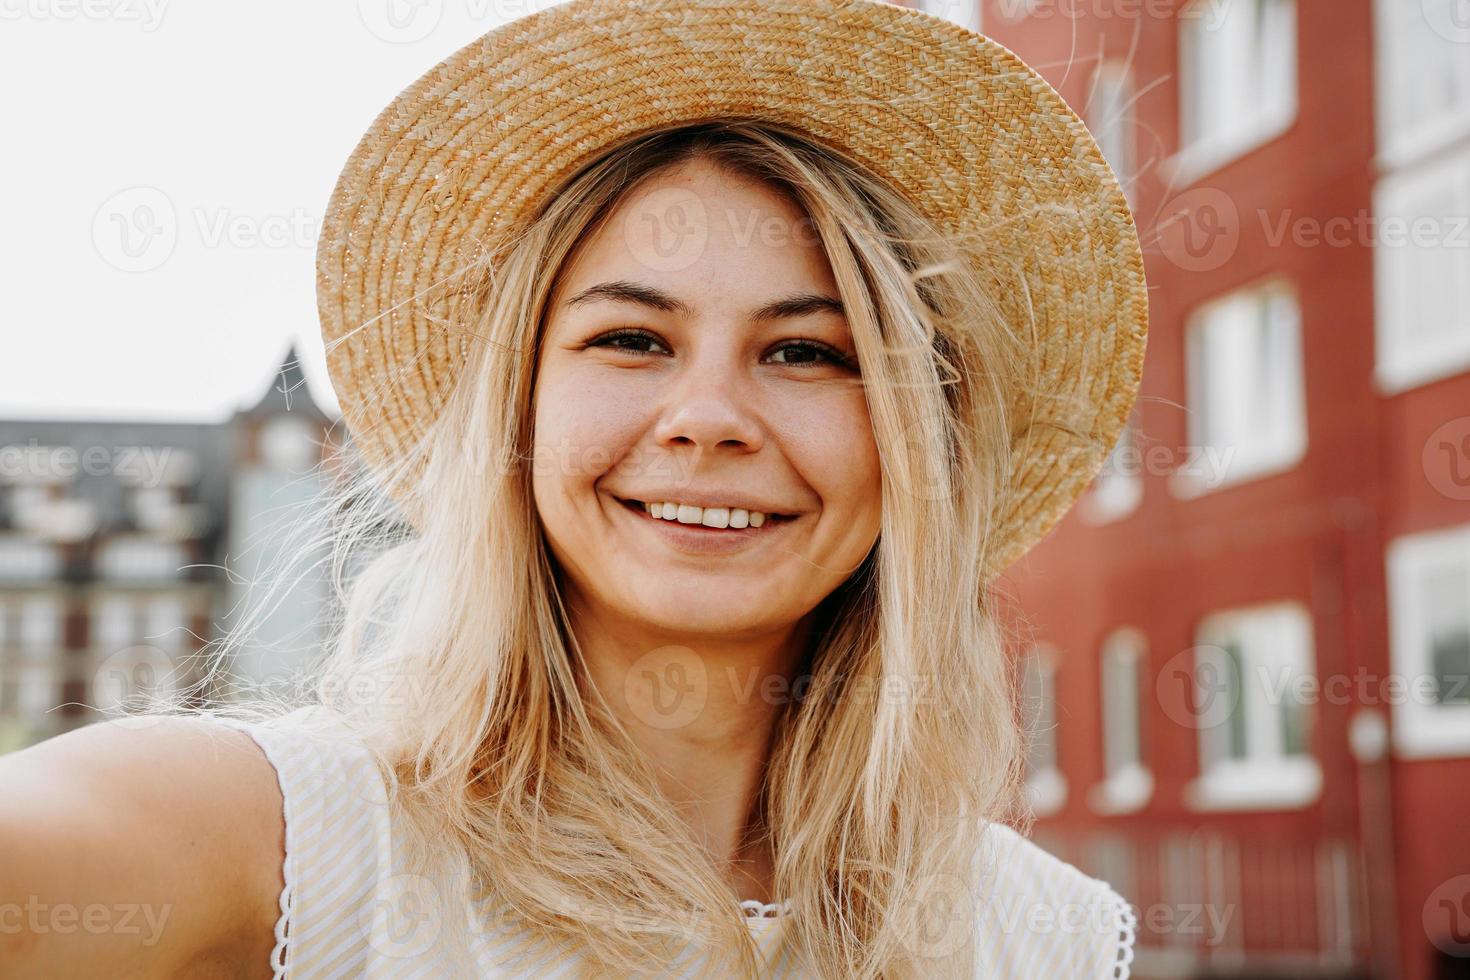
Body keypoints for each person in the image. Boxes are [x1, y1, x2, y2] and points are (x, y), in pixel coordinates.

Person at [0, 1, 1148, 976]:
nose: (707, 415)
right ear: (520, 407)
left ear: (917, 438)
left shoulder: (1044, 934)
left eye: (807, 351)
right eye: (633, 338)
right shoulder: (292, 836)